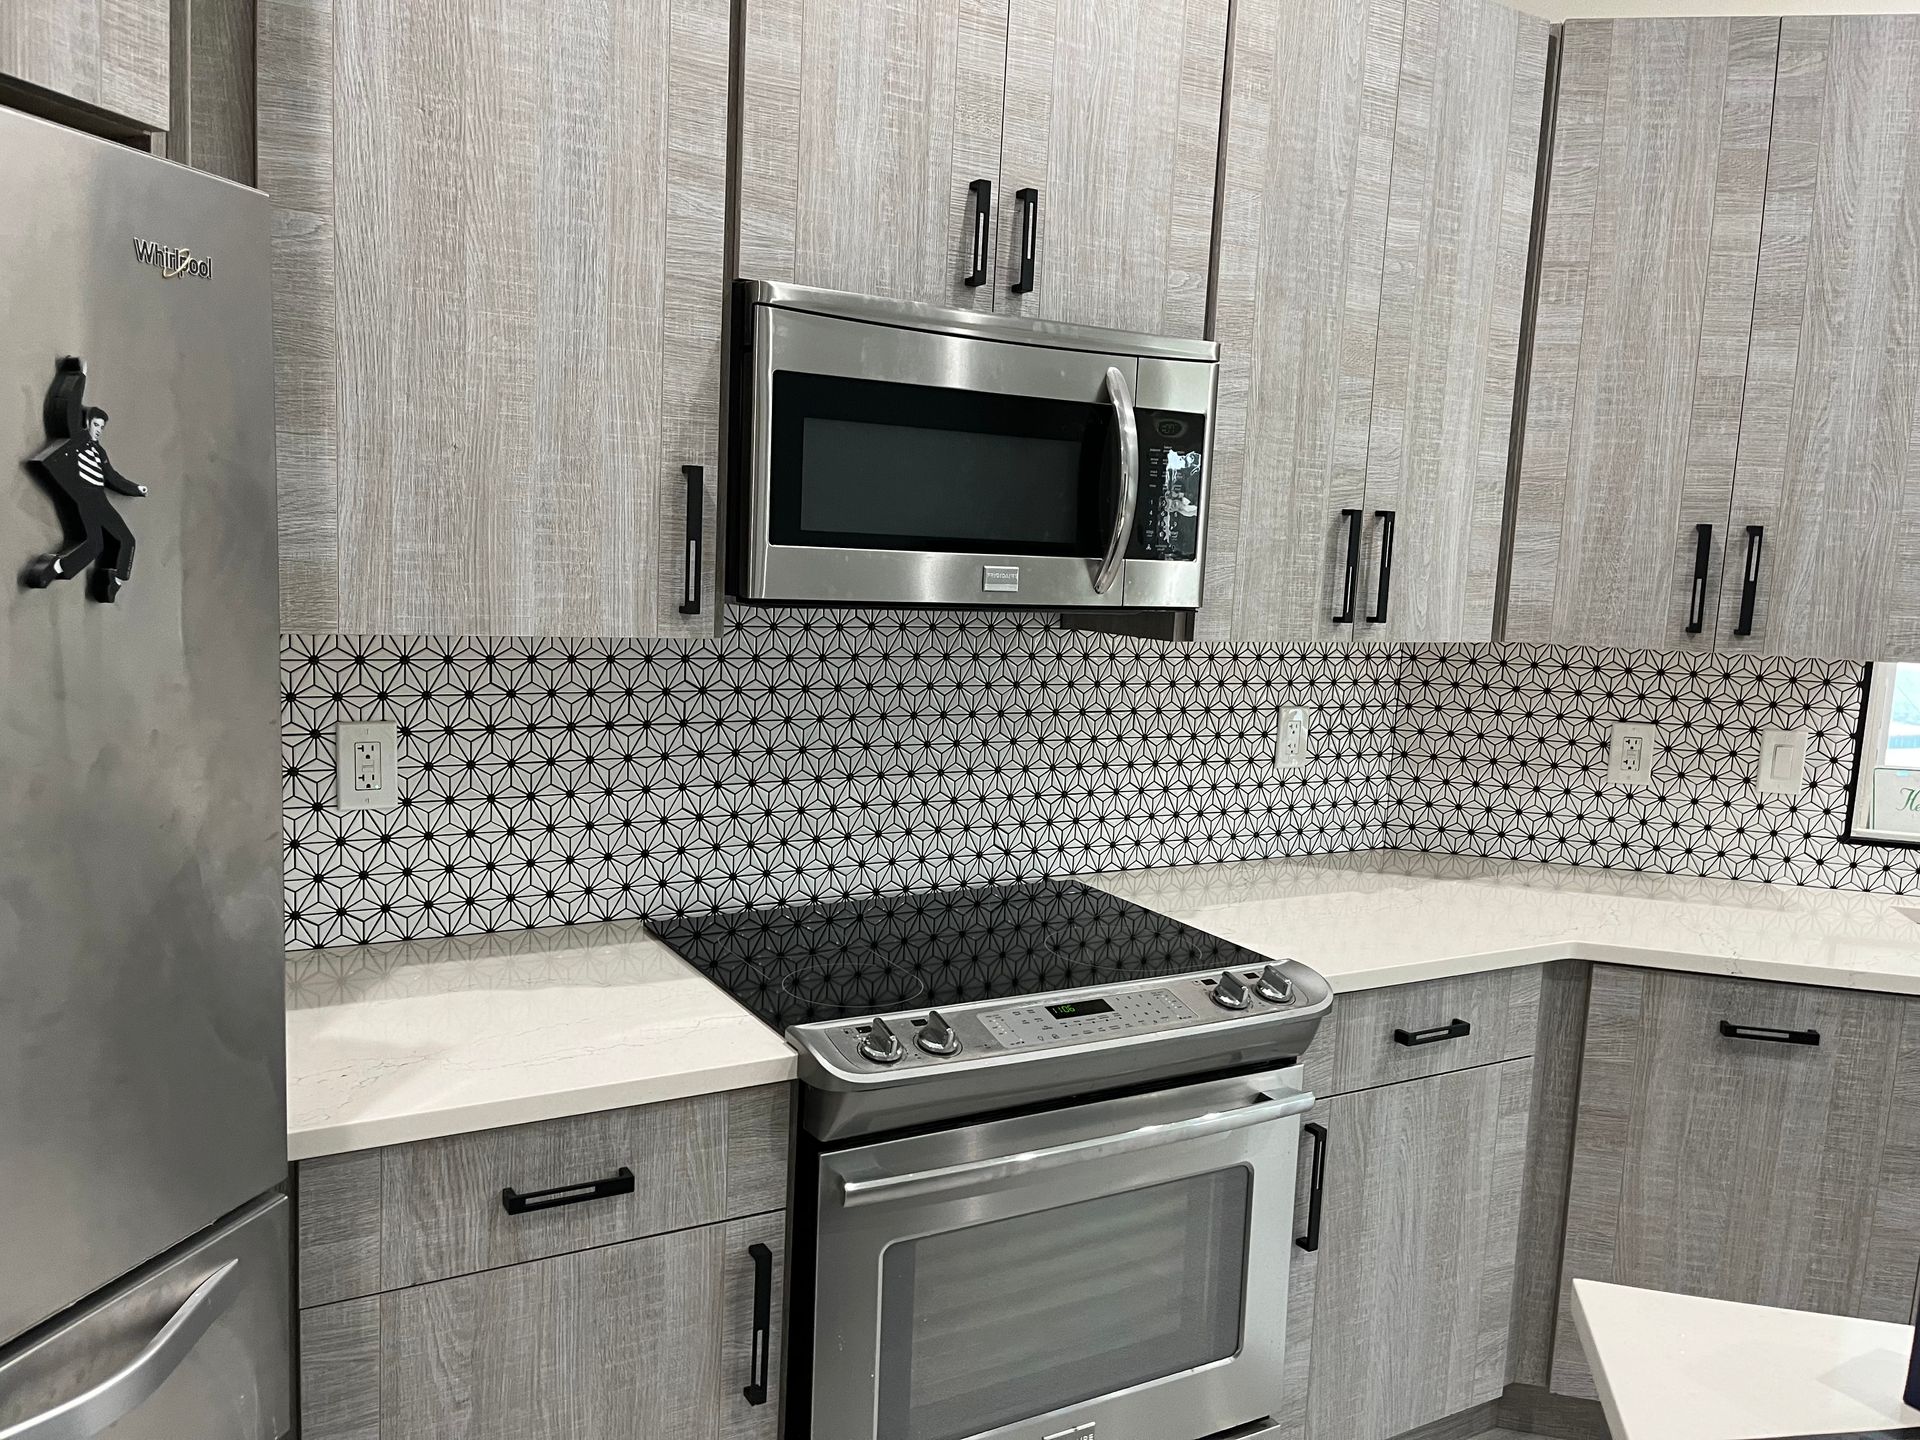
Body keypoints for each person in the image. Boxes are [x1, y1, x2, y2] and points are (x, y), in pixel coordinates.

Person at [23, 356, 147, 602]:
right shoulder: (76, 440)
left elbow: (111, 477)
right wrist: (77, 375)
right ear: (87, 423)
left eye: (103, 426)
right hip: (82, 496)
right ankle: (54, 568)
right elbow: (67, 408)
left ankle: (114, 580)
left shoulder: (99, 452)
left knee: (126, 540)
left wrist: (136, 489)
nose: (99, 430)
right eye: (96, 424)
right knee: (93, 543)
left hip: (99, 499)